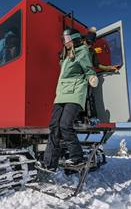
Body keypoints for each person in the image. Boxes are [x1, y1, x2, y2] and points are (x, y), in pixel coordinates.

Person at [41, 28, 99, 171]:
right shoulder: (66, 55)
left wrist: (92, 77)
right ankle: (49, 163)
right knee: (54, 126)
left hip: (75, 92)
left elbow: (88, 68)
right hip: (61, 93)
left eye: (67, 39)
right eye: (64, 40)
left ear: (74, 39)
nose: (64, 42)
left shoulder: (82, 51)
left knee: (65, 125)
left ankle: (77, 158)